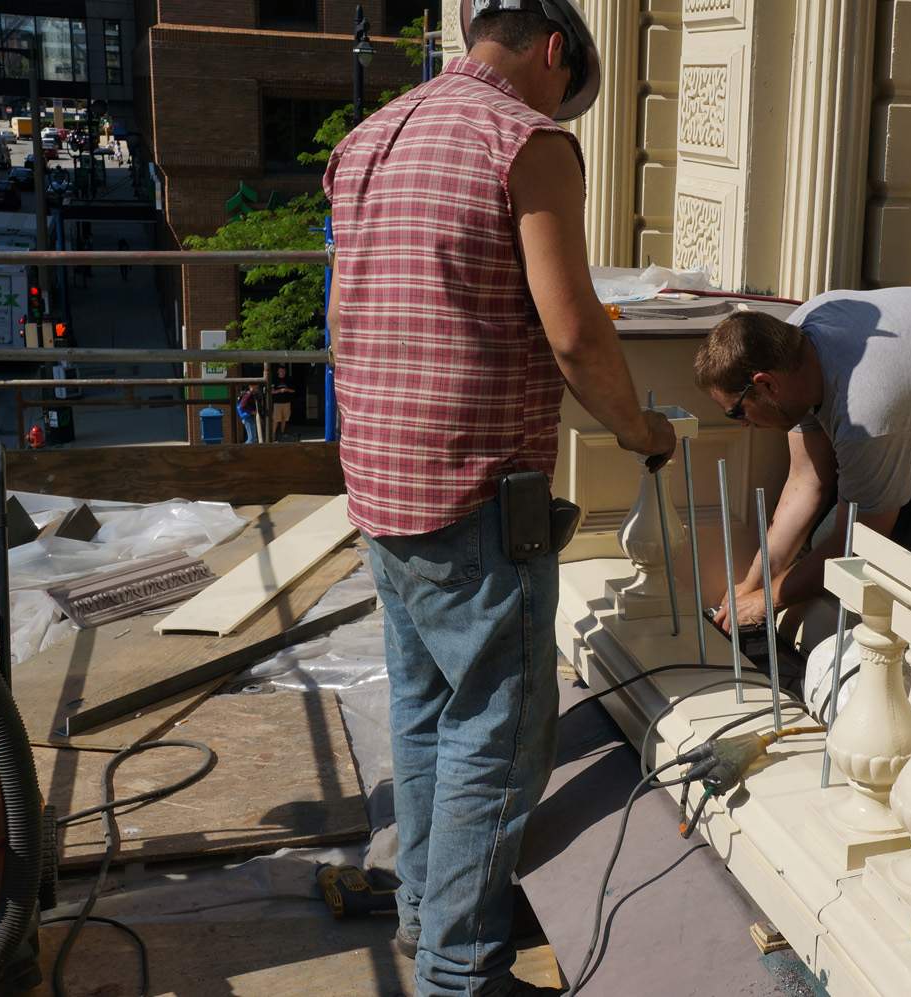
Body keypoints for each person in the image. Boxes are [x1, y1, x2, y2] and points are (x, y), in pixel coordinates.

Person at [322, 3, 674, 995]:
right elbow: (574, 333)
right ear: (555, 51)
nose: (567, 106)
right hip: (477, 490)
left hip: (383, 484)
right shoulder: (526, 139)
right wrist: (644, 431)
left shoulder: (372, 135)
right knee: (498, 734)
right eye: (572, 86)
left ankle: (424, 923)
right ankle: (460, 972)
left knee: (431, 712)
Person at [694, 287, 911, 633]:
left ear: (766, 385)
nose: (745, 425)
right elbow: (806, 481)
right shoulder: (796, 342)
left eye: (737, 412)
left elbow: (859, 545)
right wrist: (752, 585)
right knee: (821, 546)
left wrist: (769, 600)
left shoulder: (868, 412)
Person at [270, 366, 296, 439]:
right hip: (277, 403)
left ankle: (282, 433)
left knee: (285, 419)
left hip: (287, 403)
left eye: (283, 371)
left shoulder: (288, 379)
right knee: (276, 419)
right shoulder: (274, 380)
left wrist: (287, 389)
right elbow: (271, 392)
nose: (282, 372)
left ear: (285, 372)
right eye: (280, 371)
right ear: (278, 372)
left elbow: (293, 390)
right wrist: (280, 390)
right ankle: (273, 434)